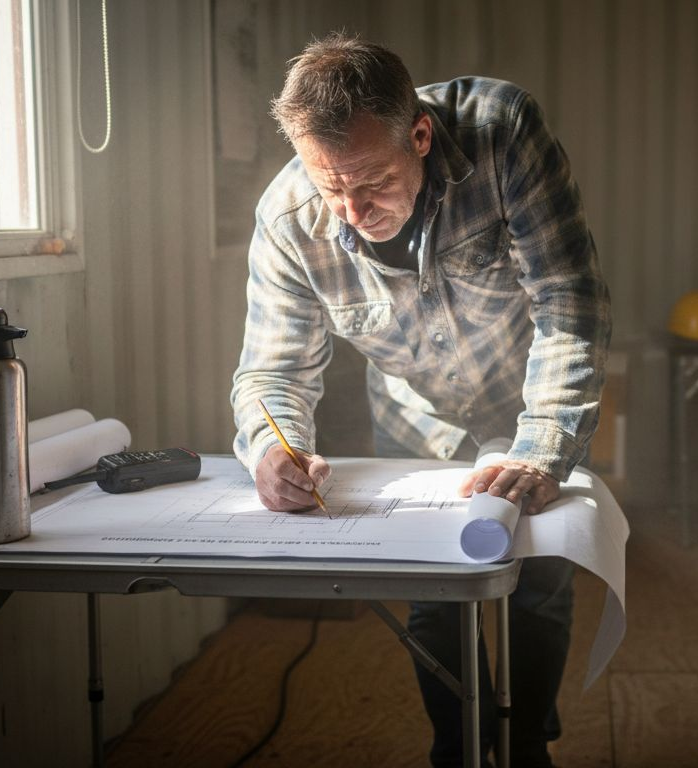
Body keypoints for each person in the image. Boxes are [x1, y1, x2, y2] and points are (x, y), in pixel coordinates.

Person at [229, 32, 611, 768]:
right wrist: (271, 446)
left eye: (370, 182)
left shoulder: (502, 134)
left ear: (421, 135)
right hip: (415, 417)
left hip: (532, 392)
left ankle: (528, 744)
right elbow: (270, 371)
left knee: (539, 577)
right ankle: (457, 749)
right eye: (328, 186)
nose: (349, 210)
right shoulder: (287, 218)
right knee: (435, 596)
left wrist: (541, 448)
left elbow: (570, 305)